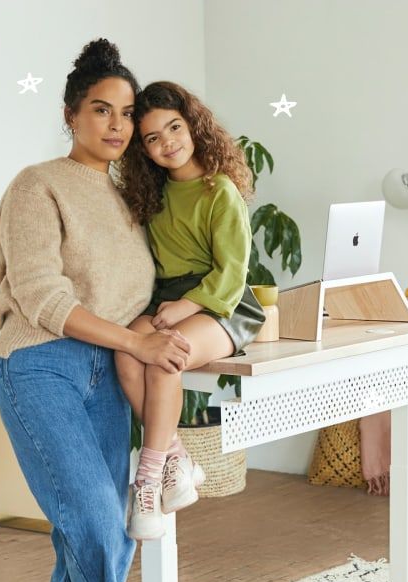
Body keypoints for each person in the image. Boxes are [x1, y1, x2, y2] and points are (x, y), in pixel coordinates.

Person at [0, 39, 192, 582]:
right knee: (100, 523)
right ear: (71, 113)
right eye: (100, 110)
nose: (115, 125)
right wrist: (135, 342)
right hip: (41, 366)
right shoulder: (36, 185)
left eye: (126, 112)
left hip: (110, 371)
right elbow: (41, 294)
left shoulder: (134, 194)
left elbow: (154, 286)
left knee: (84, 536)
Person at [116, 81, 265, 540]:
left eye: (174, 128)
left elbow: (233, 272)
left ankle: (147, 479)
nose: (168, 143)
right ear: (142, 149)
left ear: (193, 124)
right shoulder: (152, 196)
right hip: (169, 300)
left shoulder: (219, 190)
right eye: (153, 138)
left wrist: (186, 306)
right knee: (125, 350)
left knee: (165, 357)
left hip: (224, 303)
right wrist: (170, 306)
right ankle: (177, 458)